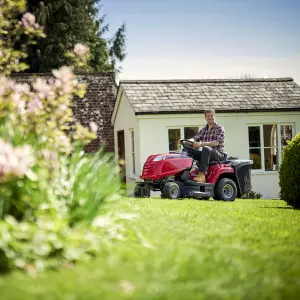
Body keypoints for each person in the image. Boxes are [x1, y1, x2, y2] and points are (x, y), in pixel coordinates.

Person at [179, 109, 225, 183]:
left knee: (206, 148)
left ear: (214, 116)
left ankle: (202, 176)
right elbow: (195, 138)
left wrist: (201, 144)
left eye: (211, 116)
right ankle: (182, 173)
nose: (210, 117)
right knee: (188, 150)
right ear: (205, 118)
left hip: (218, 154)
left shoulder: (219, 128)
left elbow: (216, 143)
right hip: (206, 154)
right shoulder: (204, 129)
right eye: (208, 116)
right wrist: (185, 141)